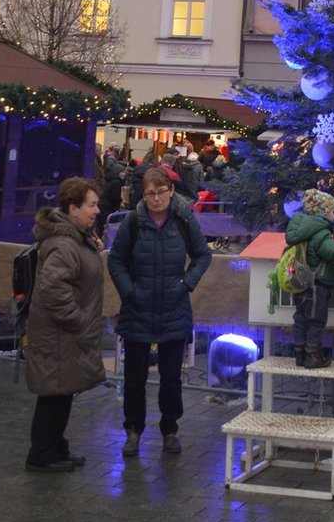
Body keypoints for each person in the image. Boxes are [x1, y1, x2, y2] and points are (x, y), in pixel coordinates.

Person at [108, 164, 211, 458]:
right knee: (134, 376)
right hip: (137, 308)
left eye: (161, 192)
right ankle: (133, 430)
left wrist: (185, 283)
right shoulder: (133, 222)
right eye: (150, 193)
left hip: (173, 307)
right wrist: (130, 290)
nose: (155, 199)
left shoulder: (183, 218)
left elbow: (203, 254)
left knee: (171, 376)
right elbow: (116, 260)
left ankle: (170, 429)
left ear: (171, 191)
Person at [24, 177, 106, 474]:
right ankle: (42, 454)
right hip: (59, 334)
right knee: (54, 394)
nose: (97, 210)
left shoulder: (75, 237)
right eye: (91, 205)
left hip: (65, 335)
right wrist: (79, 320)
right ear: (73, 208)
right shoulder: (63, 243)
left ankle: (56, 446)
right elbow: (53, 290)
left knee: (62, 391)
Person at [284, 189, 334, 368]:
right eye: (332, 211)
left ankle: (300, 353)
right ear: (324, 213)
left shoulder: (302, 230)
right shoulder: (321, 233)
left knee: (301, 317)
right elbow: (332, 252)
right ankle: (313, 355)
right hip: (318, 283)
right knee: (316, 320)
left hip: (301, 281)